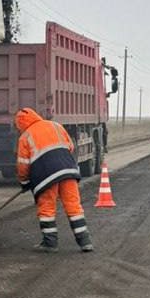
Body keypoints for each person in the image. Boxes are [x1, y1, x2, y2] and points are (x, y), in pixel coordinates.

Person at [15, 108, 93, 252]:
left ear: (20, 125)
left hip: (46, 177)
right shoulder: (55, 125)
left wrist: (24, 182)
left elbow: (23, 165)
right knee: (73, 206)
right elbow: (70, 146)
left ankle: (50, 244)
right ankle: (85, 241)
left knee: (47, 208)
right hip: (68, 171)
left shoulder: (25, 137)